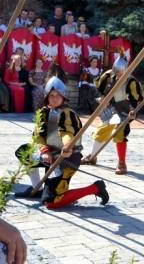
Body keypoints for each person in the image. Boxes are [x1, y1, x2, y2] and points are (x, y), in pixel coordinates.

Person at [13, 77, 109, 208]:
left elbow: (66, 133)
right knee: (24, 151)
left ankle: (95, 188)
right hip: (49, 156)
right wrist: (44, 151)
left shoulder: (67, 114)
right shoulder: (43, 113)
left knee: (51, 202)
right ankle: (37, 188)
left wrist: (67, 146)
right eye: (51, 95)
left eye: (58, 95)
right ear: (47, 97)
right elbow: (39, 136)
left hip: (66, 159)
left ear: (63, 96)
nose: (54, 98)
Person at [80, 49, 143, 175]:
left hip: (125, 112)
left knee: (119, 134)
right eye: (117, 74)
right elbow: (99, 87)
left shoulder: (132, 82)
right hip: (110, 108)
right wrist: (102, 96)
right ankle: (92, 156)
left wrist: (133, 111)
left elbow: (136, 100)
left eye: (121, 74)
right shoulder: (108, 75)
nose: (119, 77)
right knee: (101, 132)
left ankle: (121, 163)